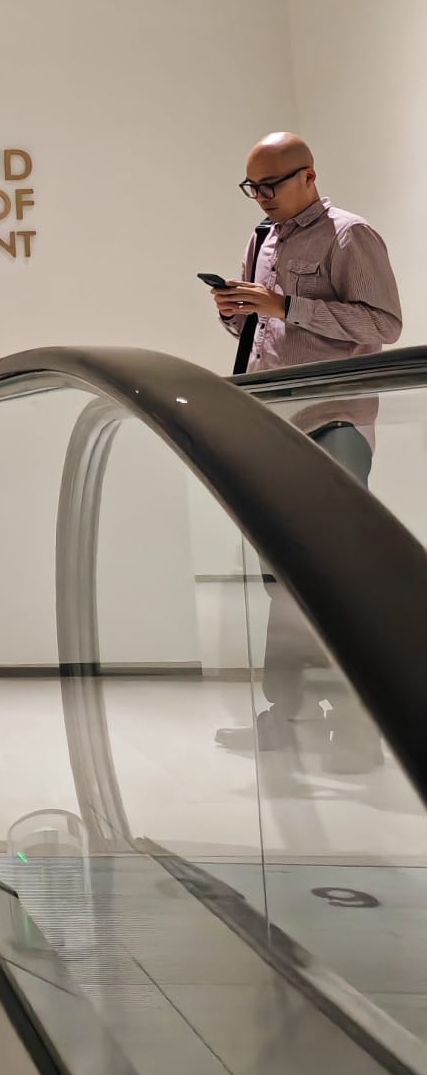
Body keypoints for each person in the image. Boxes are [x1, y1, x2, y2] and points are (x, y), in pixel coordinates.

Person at [211, 134, 402, 768]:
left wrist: (287, 305)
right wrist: (237, 310)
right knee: (282, 578)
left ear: (309, 176)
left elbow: (383, 323)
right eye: (253, 188)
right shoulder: (261, 239)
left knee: (340, 575)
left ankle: (357, 725)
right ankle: (287, 718)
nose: (261, 198)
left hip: (334, 421)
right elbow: (263, 330)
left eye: (270, 185)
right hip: (273, 423)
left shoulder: (351, 235)